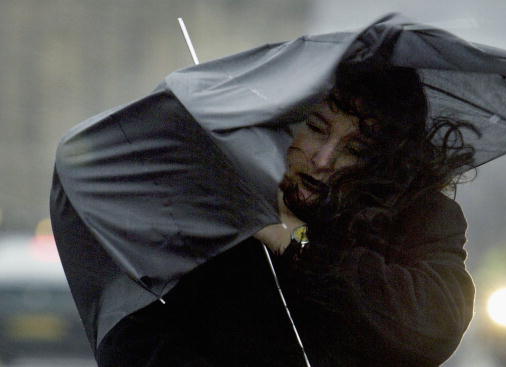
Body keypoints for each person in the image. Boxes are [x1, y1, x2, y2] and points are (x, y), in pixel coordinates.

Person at [96, 60, 476, 366]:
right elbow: (132, 334)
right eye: (315, 129)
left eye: (356, 150)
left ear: (385, 162)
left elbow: (432, 327)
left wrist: (294, 241)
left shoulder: (422, 218)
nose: (324, 159)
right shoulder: (216, 207)